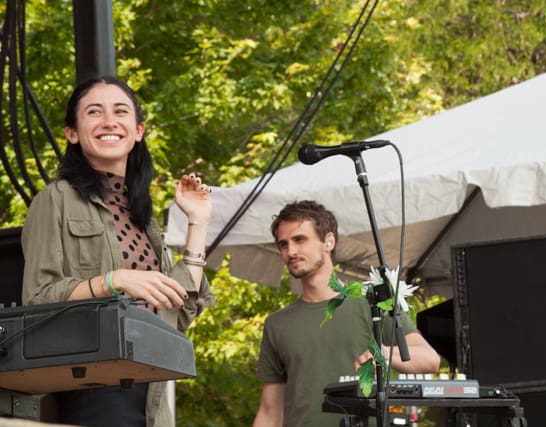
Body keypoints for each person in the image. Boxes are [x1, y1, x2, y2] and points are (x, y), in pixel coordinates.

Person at [21, 75, 214, 427]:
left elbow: (177, 313)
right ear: (72, 133)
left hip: (152, 395)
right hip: (88, 389)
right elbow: (36, 299)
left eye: (121, 111)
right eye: (94, 112)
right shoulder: (54, 200)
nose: (109, 121)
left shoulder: (143, 215)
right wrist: (113, 281)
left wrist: (197, 222)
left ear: (138, 131)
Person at [253, 200, 440, 427]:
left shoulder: (373, 302)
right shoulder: (277, 323)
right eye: (283, 244)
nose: (291, 251)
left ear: (328, 241)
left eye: (300, 240)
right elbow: (270, 411)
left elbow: (430, 360)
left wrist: (383, 353)